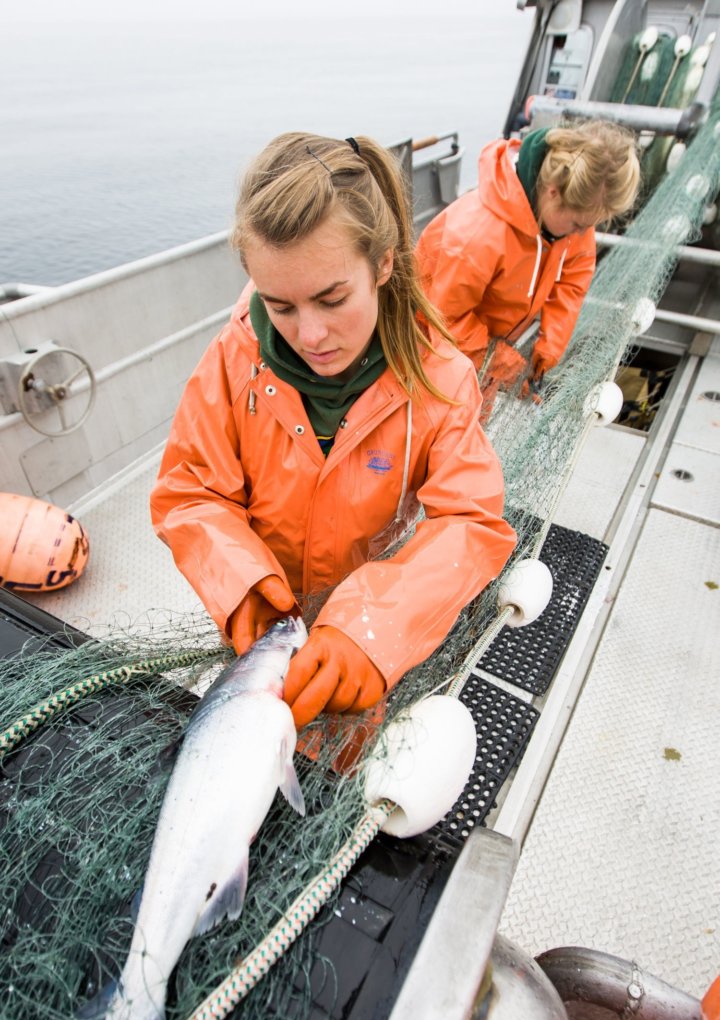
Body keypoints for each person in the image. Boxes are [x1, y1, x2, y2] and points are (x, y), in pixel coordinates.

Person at [150, 132, 516, 732]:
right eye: (282, 306)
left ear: (383, 264)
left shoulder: (442, 379)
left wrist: (374, 628)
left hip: (364, 645)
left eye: (331, 298)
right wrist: (242, 587)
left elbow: (471, 520)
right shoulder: (231, 359)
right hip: (261, 641)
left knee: (343, 759)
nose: (310, 334)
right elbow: (190, 491)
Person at [415, 120, 641, 420]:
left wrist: (550, 347)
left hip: (482, 355)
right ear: (552, 192)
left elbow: (576, 267)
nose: (582, 233)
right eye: (578, 225)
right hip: (426, 358)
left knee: (471, 432)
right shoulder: (477, 235)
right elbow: (440, 320)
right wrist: (497, 359)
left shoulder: (570, 220)